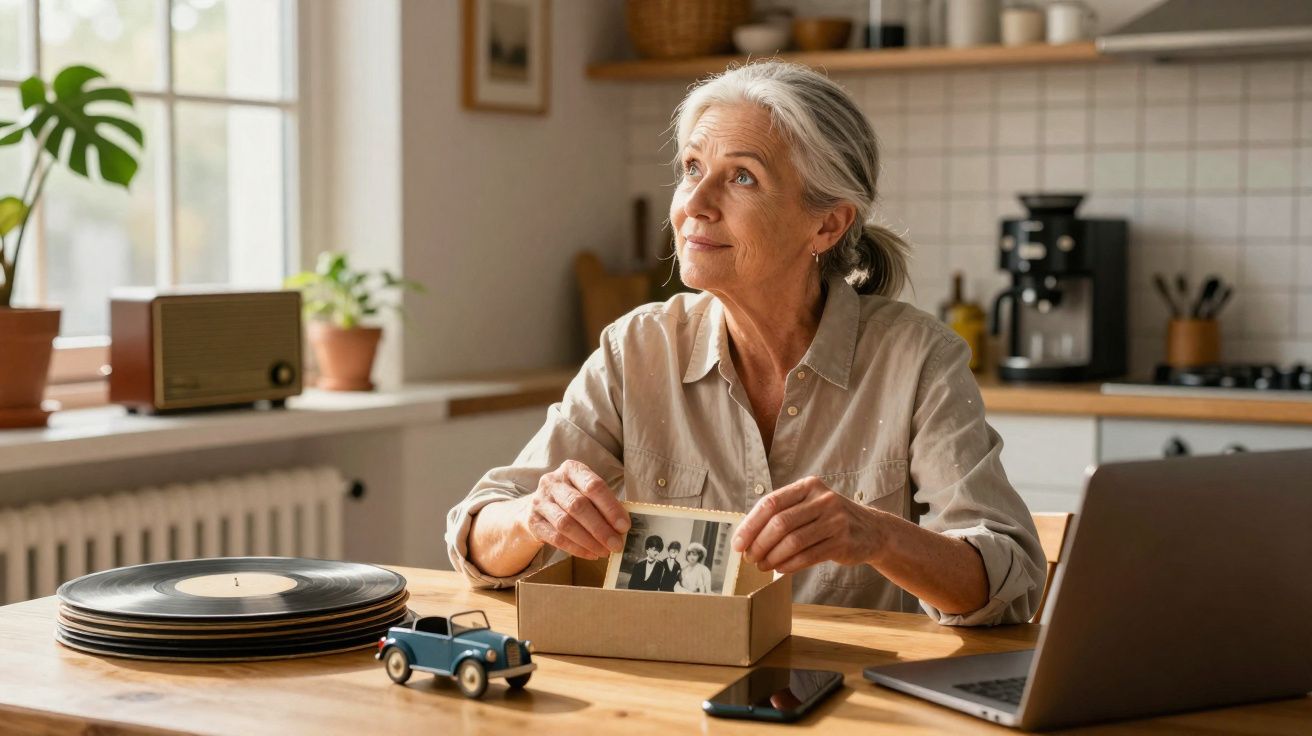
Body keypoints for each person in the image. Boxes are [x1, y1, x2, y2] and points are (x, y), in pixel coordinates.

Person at [446, 60, 1045, 626]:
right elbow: (476, 540)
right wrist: (533, 516)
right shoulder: (637, 348)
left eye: (741, 176)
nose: (694, 206)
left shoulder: (918, 359)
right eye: (690, 169)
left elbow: (1007, 583)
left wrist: (879, 536)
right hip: (671, 695)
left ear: (828, 223)